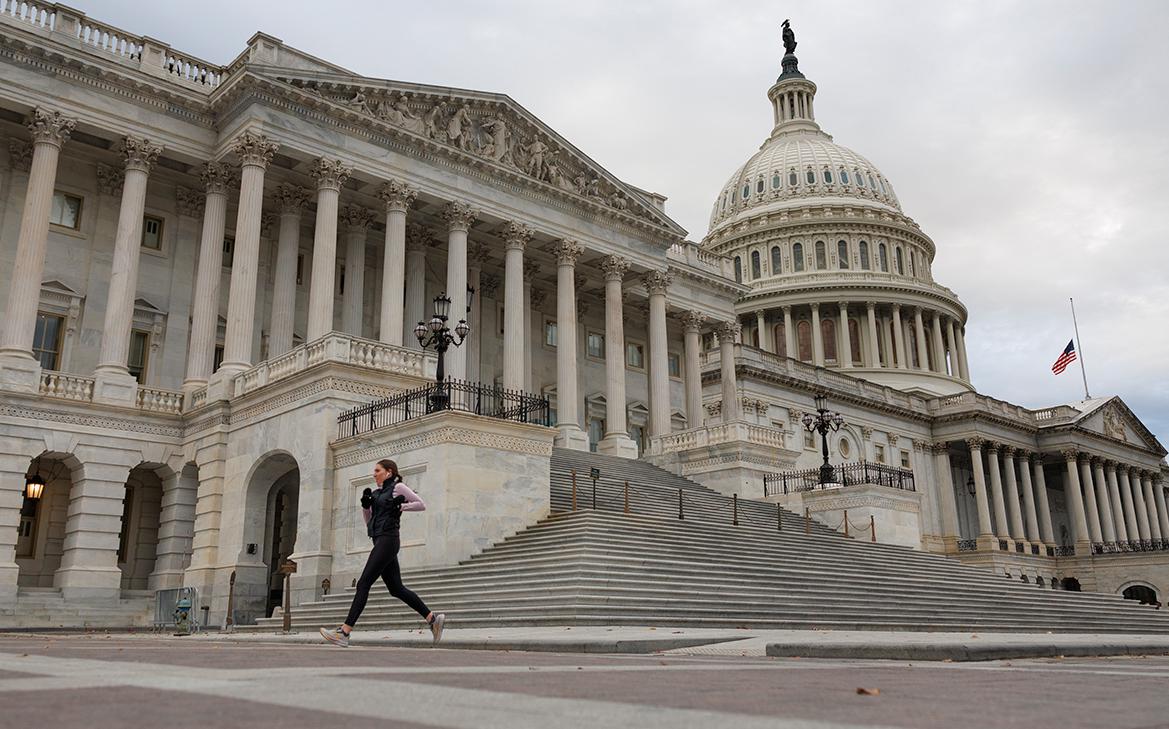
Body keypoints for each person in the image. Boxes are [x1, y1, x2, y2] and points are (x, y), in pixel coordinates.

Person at [320, 459, 444, 647]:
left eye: (377, 470)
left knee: (363, 584)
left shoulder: (398, 487)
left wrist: (400, 506)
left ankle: (344, 632)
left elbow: (420, 504)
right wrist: (365, 506)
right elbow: (369, 522)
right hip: (379, 540)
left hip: (389, 540)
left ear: (389, 472)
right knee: (396, 589)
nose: (374, 474)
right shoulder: (377, 494)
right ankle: (432, 619)